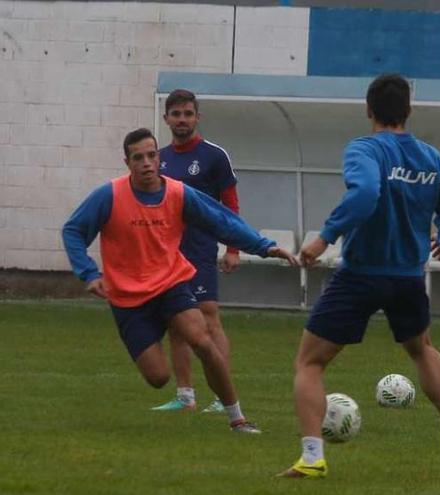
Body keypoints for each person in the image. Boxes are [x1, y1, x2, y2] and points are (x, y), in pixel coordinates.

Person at [278, 73, 440, 479]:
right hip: (407, 276)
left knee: (309, 363)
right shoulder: (431, 158)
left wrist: (325, 237)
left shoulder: (364, 149)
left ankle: (313, 457)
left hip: (361, 274)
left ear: (369, 110)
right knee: (422, 348)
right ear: (408, 111)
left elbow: (366, 193)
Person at [62, 128, 297, 433]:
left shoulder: (178, 193)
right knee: (158, 377)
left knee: (203, 342)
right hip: (128, 298)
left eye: (151, 155)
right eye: (138, 158)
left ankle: (237, 418)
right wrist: (89, 273)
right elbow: (73, 230)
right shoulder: (109, 196)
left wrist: (263, 246)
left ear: (159, 158)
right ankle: (159, 346)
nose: (146, 163)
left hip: (171, 283)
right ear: (127, 162)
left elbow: (221, 220)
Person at [151, 89, 242, 413]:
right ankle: (185, 396)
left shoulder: (214, 156)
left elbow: (229, 205)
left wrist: (233, 247)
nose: (182, 120)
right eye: (176, 114)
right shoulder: (158, 158)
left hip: (201, 249)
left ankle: (222, 397)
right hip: (167, 252)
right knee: (176, 322)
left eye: (188, 114)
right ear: (166, 119)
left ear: (197, 117)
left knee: (208, 317)